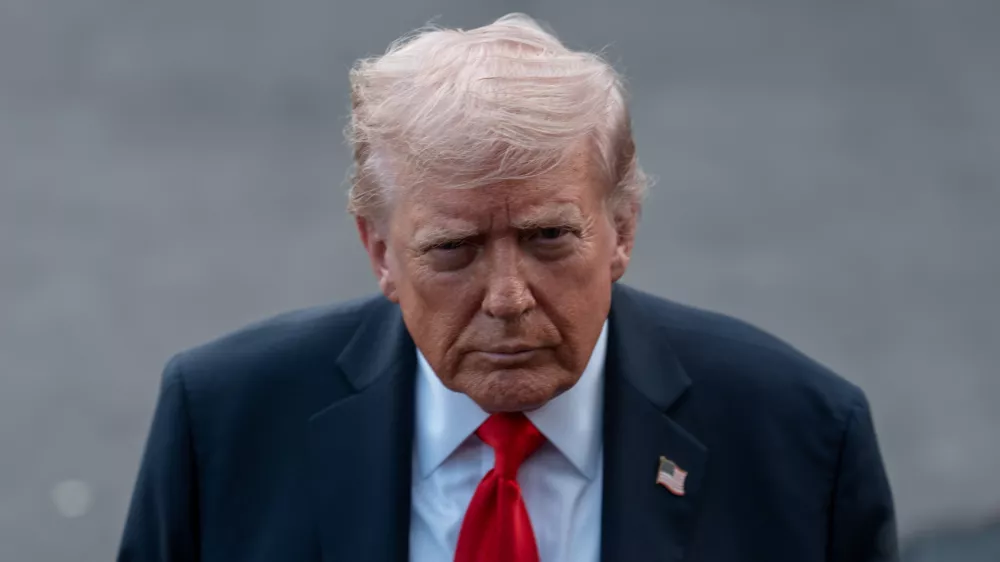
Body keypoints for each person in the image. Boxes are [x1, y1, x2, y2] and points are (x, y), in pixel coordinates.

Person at [118, 13, 897, 562]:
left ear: (621, 230)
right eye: (453, 249)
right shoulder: (223, 425)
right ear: (381, 251)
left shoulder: (799, 440)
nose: (507, 297)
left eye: (548, 237)